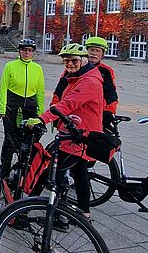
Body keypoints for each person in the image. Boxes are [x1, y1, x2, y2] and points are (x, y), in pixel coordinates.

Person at [32, 43, 103, 220]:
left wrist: (42, 118)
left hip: (79, 135)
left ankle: (43, 208)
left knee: (52, 171)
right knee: (79, 173)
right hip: (74, 132)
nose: (69, 64)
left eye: (73, 61)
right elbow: (61, 98)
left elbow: (68, 103)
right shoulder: (76, 76)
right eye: (66, 61)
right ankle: (84, 211)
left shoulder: (89, 81)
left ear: (84, 60)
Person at [0, 39, 45, 180]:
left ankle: (23, 169)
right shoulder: (10, 66)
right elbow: (3, 88)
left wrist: (41, 114)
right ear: (19, 51)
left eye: (30, 50)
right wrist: (2, 109)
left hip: (30, 108)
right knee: (10, 139)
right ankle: (4, 170)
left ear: (33, 53)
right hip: (12, 106)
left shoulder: (37, 68)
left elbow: (40, 92)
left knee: (29, 141)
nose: (26, 52)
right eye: (24, 50)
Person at [87, 37, 118, 132]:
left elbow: (111, 94)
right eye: (91, 50)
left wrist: (109, 111)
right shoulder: (75, 67)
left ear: (102, 55)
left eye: (97, 51)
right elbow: (61, 90)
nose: (93, 53)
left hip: (98, 112)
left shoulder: (106, 71)